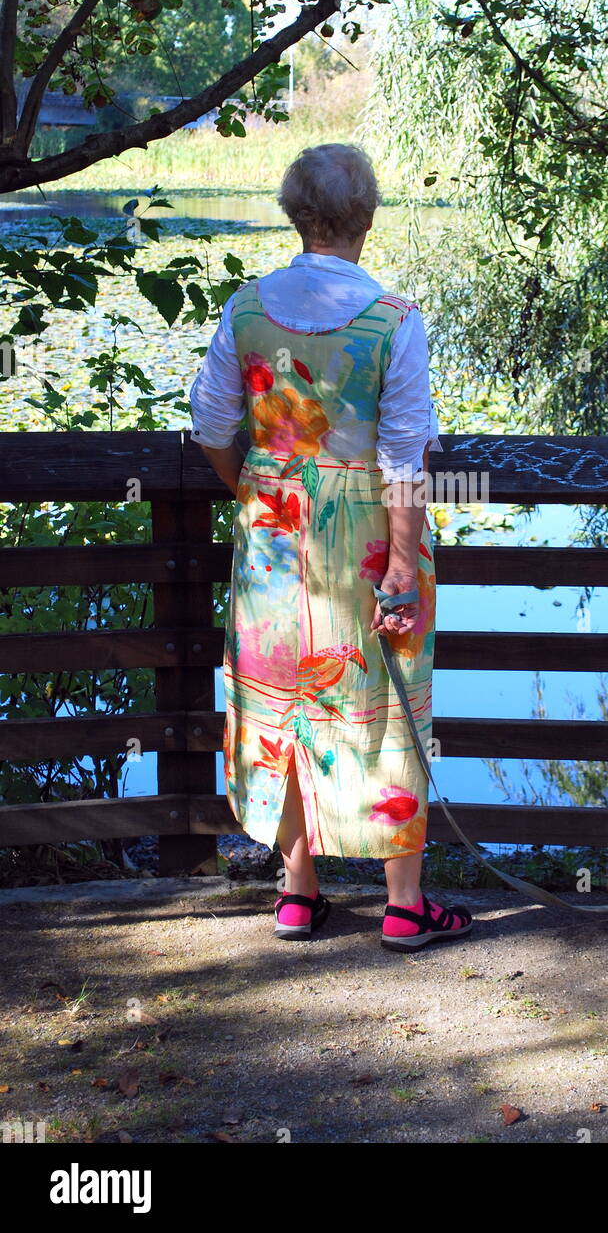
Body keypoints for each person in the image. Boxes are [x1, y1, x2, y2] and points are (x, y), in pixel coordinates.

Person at [189, 142, 472, 951]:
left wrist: (260, 485)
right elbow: (403, 461)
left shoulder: (245, 310)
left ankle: (297, 893)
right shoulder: (394, 321)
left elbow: (211, 428)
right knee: (385, 700)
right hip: (372, 535)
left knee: (280, 694)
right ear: (368, 217)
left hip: (272, 531)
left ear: (293, 211)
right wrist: (401, 575)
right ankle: (404, 905)